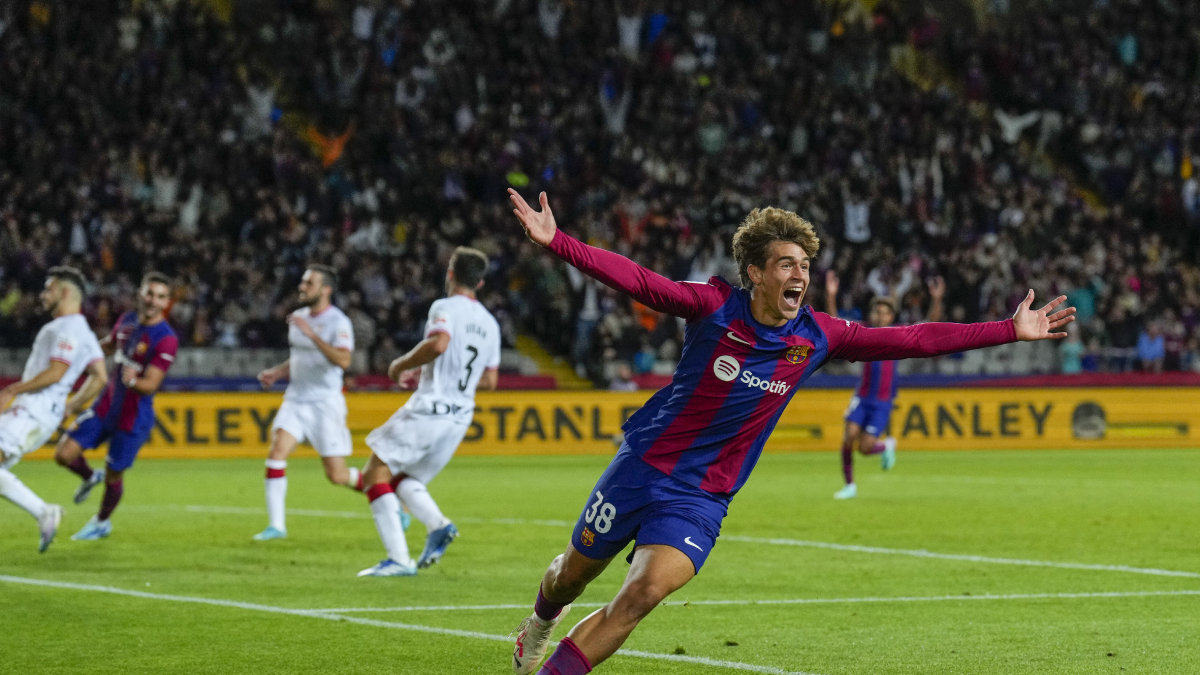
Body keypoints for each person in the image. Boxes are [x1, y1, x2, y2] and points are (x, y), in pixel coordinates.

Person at [505, 189, 1074, 675]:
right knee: (569, 577)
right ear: (755, 272)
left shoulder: (818, 337)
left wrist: (1007, 329)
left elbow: (914, 338)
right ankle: (539, 623)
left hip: (703, 496)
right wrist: (560, 242)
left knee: (643, 593)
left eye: (804, 264)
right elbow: (639, 281)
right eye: (786, 264)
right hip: (642, 466)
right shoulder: (711, 308)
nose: (799, 273)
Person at [356, 247, 501, 577]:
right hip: (459, 416)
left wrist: (399, 365)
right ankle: (438, 526)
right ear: (479, 284)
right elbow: (490, 380)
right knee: (407, 481)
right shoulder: (491, 324)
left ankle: (398, 559)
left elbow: (439, 343)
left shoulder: (444, 306)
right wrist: (444, 377)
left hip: (431, 409)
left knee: (375, 474)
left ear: (450, 274)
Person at [56, 272, 179, 541]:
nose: (152, 301)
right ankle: (89, 477)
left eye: (160, 297)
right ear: (140, 293)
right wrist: (81, 353)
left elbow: (151, 384)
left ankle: (101, 522)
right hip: (105, 407)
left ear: (167, 301)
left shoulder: (166, 338)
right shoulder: (127, 321)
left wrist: (135, 381)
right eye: (149, 294)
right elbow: (109, 346)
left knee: (114, 475)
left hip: (132, 418)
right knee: (64, 454)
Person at [0, 267, 106, 551]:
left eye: (49, 289)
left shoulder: (67, 328)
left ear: (66, 292)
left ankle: (44, 511)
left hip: (31, 411)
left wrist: (11, 390)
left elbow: (57, 372)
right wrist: (70, 405)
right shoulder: (83, 330)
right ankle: (43, 512)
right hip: (40, 412)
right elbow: (100, 376)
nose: (43, 295)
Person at [253, 264, 358, 541]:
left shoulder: (338, 322)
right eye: (302, 282)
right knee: (277, 452)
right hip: (296, 399)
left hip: (325, 403)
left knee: (337, 475)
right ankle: (277, 526)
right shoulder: (298, 317)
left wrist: (313, 336)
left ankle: (387, 495)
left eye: (309, 283)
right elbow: (300, 358)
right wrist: (278, 372)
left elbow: (344, 360)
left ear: (326, 290)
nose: (302, 287)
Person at [828, 271, 944, 499]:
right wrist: (831, 296)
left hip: (882, 402)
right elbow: (835, 326)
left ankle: (885, 446)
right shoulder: (863, 332)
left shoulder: (899, 336)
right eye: (876, 311)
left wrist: (937, 300)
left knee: (865, 448)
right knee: (848, 436)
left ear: (892, 316)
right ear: (871, 314)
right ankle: (849, 485)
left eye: (884, 312)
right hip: (862, 396)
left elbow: (930, 326)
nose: (880, 316)